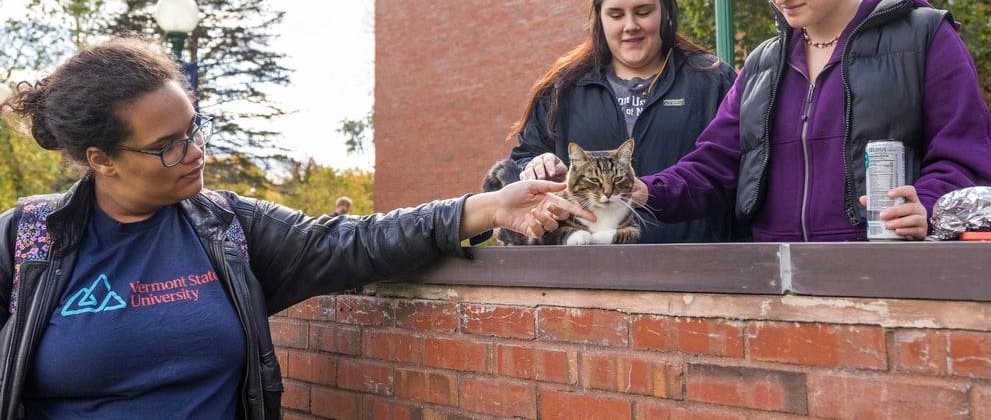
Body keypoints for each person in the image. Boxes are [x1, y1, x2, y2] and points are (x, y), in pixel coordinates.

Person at [0, 36, 591, 419]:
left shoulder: (228, 227)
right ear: (102, 158)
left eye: (194, 129)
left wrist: (486, 208)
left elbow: (352, 241)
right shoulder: (25, 243)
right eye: (167, 147)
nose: (195, 152)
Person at [633, 0, 991, 242]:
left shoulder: (924, 37)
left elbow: (968, 158)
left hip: (892, 276)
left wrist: (926, 206)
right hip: (778, 285)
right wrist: (643, 190)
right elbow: (714, 169)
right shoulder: (762, 65)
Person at [509, 0, 745, 243]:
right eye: (616, 14)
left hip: (692, 273)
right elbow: (518, 165)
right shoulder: (563, 88)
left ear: (666, 11)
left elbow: (737, 173)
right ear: (599, 18)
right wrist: (534, 165)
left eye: (643, 11)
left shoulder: (712, 80)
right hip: (587, 276)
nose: (630, 25)